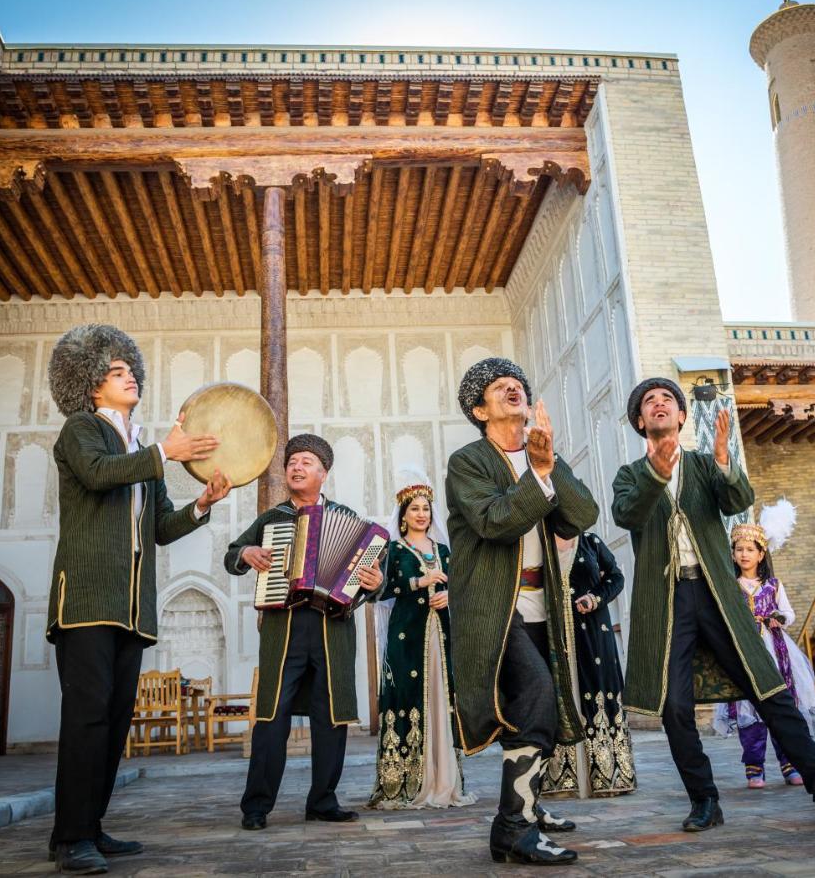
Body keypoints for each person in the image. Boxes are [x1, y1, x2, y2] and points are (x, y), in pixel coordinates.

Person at [612, 376, 815, 829]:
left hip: (719, 593)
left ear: (680, 416)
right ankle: (705, 801)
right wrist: (657, 474)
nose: (659, 404)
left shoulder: (702, 464)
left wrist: (724, 461)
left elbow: (738, 498)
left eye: (667, 400)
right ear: (641, 421)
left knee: (769, 688)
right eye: (649, 402)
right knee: (675, 707)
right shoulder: (631, 475)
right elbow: (627, 514)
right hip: (665, 602)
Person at [46, 323, 231, 874]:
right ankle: (68, 838)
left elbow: (160, 528)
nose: (129, 378)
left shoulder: (140, 449)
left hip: (131, 608)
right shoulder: (80, 430)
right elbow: (99, 475)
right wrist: (162, 452)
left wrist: (201, 503)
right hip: (85, 601)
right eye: (117, 372)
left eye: (131, 372)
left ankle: (91, 829)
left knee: (114, 721)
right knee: (86, 720)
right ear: (91, 385)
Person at [445, 357, 599, 865]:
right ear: (479, 409)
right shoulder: (468, 462)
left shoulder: (543, 455)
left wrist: (549, 467)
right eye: (500, 387)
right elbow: (494, 522)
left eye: (519, 385)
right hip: (494, 606)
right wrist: (536, 476)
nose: (514, 389)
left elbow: (584, 516)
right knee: (533, 692)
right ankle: (513, 827)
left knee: (542, 704)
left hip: (542, 604)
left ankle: (525, 814)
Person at [224, 433, 383, 829]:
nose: (296, 466)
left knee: (330, 716)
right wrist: (246, 553)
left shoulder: (348, 520)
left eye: (306, 461)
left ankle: (323, 801)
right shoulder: (272, 519)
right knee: (271, 716)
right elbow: (232, 555)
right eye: (292, 461)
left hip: (332, 630)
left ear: (323, 473)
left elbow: (372, 581)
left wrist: (374, 579)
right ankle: (256, 807)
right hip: (284, 627)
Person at [369, 467, 476, 809]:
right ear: (403, 515)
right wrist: (418, 582)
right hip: (408, 637)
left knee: (442, 699)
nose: (421, 514)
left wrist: (450, 596)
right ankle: (407, 781)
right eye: (414, 508)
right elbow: (382, 590)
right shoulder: (394, 551)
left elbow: (461, 586)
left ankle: (445, 779)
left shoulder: (444, 550)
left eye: (426, 508)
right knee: (408, 699)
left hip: (441, 638)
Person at [713, 499, 815, 789]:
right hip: (744, 651)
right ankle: (754, 768)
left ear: (762, 553)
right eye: (739, 549)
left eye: (750, 549)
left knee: (779, 707)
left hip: (774, 650)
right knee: (748, 710)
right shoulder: (730, 585)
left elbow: (788, 612)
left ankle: (789, 765)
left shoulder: (773, 586)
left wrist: (779, 617)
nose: (743, 554)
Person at [543, 532, 636, 798]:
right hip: (555, 636)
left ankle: (607, 774)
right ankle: (563, 777)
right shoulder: (540, 544)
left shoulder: (590, 542)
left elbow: (616, 577)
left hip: (594, 633)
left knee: (598, 693)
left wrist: (595, 598)